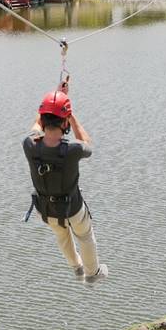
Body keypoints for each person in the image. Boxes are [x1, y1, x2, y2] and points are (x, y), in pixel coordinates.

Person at [23, 81, 108, 284]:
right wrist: (69, 113)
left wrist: (55, 102)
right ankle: (92, 273)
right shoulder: (73, 150)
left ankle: (76, 268)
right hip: (74, 208)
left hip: (46, 209)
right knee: (85, 236)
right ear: (65, 123)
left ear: (43, 119)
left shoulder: (29, 144)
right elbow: (87, 143)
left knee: (62, 236)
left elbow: (36, 126)